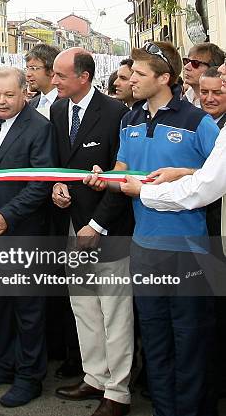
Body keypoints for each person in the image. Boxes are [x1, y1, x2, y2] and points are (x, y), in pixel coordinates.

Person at [85, 41, 220, 416]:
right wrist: (102, 178)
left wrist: (182, 174)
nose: (132, 81)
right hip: (144, 248)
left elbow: (217, 177)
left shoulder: (198, 122)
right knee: (156, 341)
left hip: (189, 249)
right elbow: (122, 173)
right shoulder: (130, 120)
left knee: (190, 342)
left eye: (141, 74)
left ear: (165, 78)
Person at [50, 48, 134, 416]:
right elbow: (58, 165)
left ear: (83, 77)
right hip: (71, 226)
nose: (53, 82)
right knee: (84, 308)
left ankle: (118, 392)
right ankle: (94, 376)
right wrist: (57, 187)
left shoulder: (117, 114)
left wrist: (97, 224)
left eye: (60, 76)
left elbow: (121, 176)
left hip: (107, 229)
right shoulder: (56, 110)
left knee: (115, 313)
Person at [0, 67, 56, 408]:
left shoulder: (39, 128)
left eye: (9, 95)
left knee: (27, 308)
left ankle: (29, 376)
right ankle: (4, 364)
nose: (1, 101)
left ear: (25, 93)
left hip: (21, 233)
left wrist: (8, 215)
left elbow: (41, 182)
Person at [182, 43, 225, 107]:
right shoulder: (185, 98)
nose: (186, 67)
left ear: (212, 69)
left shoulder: (219, 105)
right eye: (187, 61)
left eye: (195, 63)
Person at [25, 43, 61, 118]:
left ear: (52, 70)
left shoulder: (67, 104)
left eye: (33, 68)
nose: (28, 74)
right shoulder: (31, 104)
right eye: (27, 68)